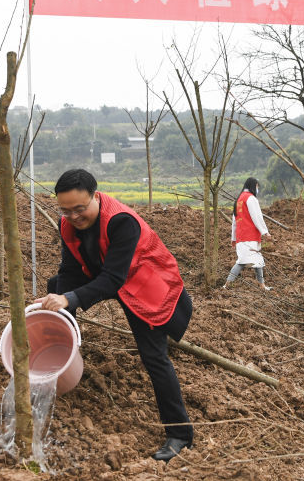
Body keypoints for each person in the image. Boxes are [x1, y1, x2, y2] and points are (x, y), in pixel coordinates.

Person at [36, 169, 195, 462]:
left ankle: (180, 434)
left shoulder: (122, 222)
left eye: (80, 209)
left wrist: (70, 298)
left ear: (95, 197)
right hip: (106, 275)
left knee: (154, 357)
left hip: (144, 284)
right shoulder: (68, 224)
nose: (74, 216)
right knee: (55, 289)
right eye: (66, 210)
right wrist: (61, 302)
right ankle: (56, 355)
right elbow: (71, 269)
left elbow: (113, 278)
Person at [224, 177, 273, 290]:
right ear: (253, 186)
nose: (257, 189)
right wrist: (265, 232)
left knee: (257, 261)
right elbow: (257, 217)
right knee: (241, 262)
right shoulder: (251, 199)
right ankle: (226, 285)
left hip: (241, 237)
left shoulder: (238, 200)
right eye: (257, 187)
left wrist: (234, 238)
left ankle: (262, 285)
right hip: (250, 236)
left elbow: (234, 222)